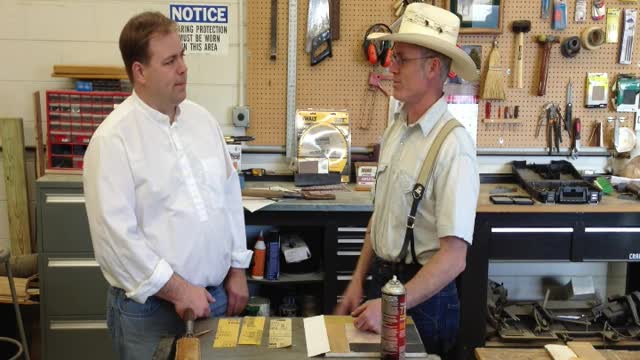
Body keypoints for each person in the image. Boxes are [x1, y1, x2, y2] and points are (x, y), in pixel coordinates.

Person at [82, 11, 252, 359]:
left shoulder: (203, 122)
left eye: (183, 56)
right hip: (149, 313)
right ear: (139, 71)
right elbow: (116, 240)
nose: (183, 68)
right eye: (170, 60)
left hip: (213, 299)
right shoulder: (114, 140)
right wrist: (176, 290)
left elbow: (228, 198)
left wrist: (237, 270)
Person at [334, 3, 480, 358]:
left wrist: (393, 305)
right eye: (392, 57)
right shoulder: (398, 129)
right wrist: (357, 279)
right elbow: (383, 214)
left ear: (433, 67)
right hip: (387, 284)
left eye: (401, 58)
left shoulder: (453, 146)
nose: (390, 67)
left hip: (425, 301)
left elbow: (453, 258)